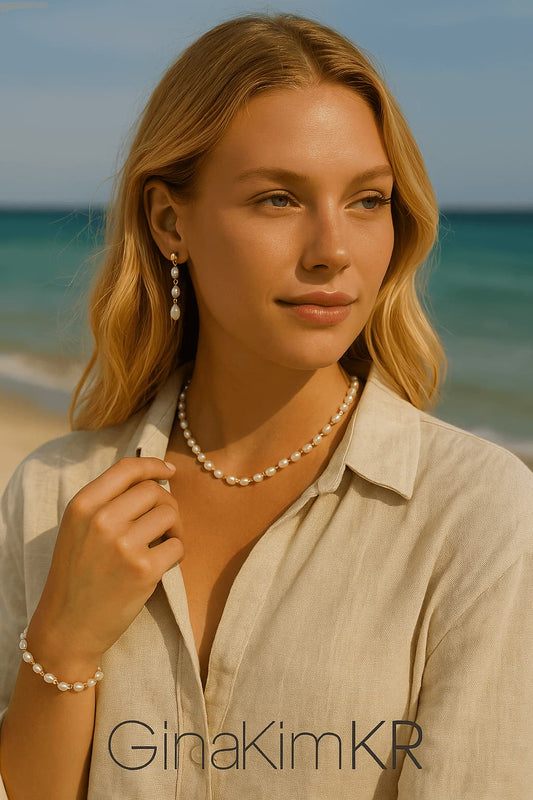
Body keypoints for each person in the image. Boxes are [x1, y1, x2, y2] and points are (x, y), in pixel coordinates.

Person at [0, 11, 532, 800]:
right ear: (168, 220)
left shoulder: (477, 512)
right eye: (279, 199)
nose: (332, 249)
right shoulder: (54, 496)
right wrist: (64, 644)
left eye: (367, 201)